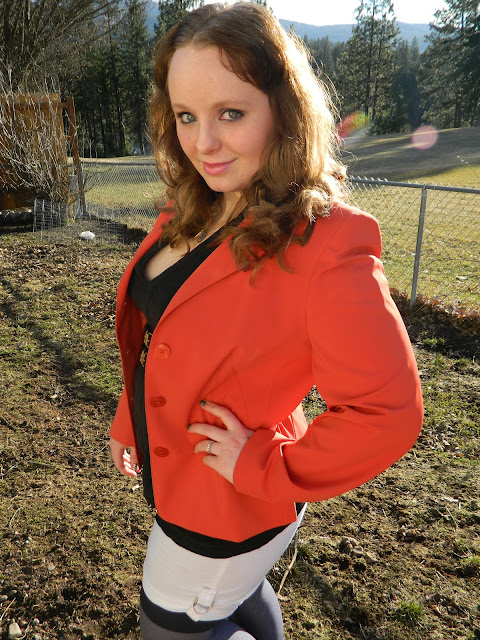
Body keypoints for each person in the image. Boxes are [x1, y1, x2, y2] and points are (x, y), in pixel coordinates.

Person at [109, 3, 423, 639]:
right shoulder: (194, 203)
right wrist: (130, 419)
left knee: (168, 629)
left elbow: (387, 413)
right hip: (191, 485)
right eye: (186, 116)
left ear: (284, 111)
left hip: (227, 511)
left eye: (231, 113)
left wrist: (262, 465)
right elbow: (162, 336)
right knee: (239, 598)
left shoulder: (327, 244)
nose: (203, 143)